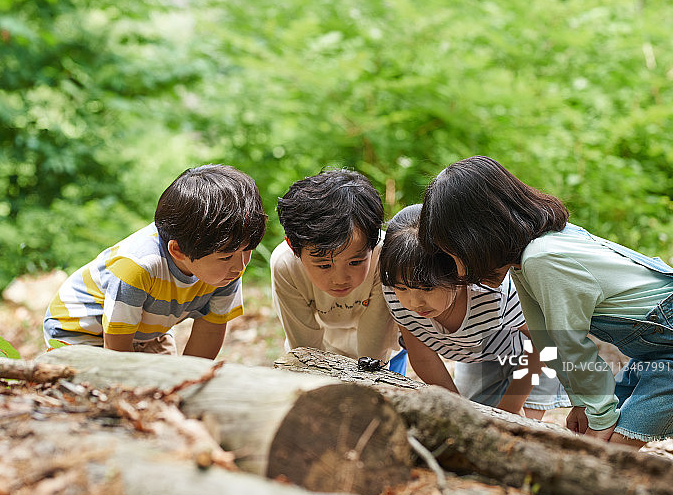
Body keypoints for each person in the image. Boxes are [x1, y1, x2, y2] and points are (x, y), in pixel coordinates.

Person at [419, 155, 673, 447]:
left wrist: (600, 419)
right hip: (661, 349)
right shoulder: (524, 260)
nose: (461, 271)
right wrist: (581, 402)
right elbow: (547, 340)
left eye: (456, 253)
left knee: (609, 455)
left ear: (480, 233)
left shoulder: (545, 257)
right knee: (601, 444)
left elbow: (570, 343)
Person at [43, 164, 267, 358]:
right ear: (178, 250)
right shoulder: (138, 266)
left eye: (247, 250)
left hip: (145, 333)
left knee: (168, 386)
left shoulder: (225, 268)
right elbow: (116, 350)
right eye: (227, 256)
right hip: (78, 331)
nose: (240, 266)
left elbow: (209, 331)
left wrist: (188, 381)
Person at [380, 204, 568, 418]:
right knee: (473, 413)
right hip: (477, 353)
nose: (414, 302)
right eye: (403, 288)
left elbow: (542, 342)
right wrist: (457, 410)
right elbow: (423, 357)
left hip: (533, 351)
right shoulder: (394, 288)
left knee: (523, 425)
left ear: (459, 270)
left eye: (427, 288)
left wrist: (510, 409)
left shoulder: (496, 295)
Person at [271, 169, 404, 372]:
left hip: (384, 348)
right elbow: (307, 349)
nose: (340, 279)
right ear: (292, 245)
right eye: (324, 265)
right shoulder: (286, 265)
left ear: (373, 241)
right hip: (325, 341)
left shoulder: (385, 256)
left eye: (355, 262)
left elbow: (374, 351)